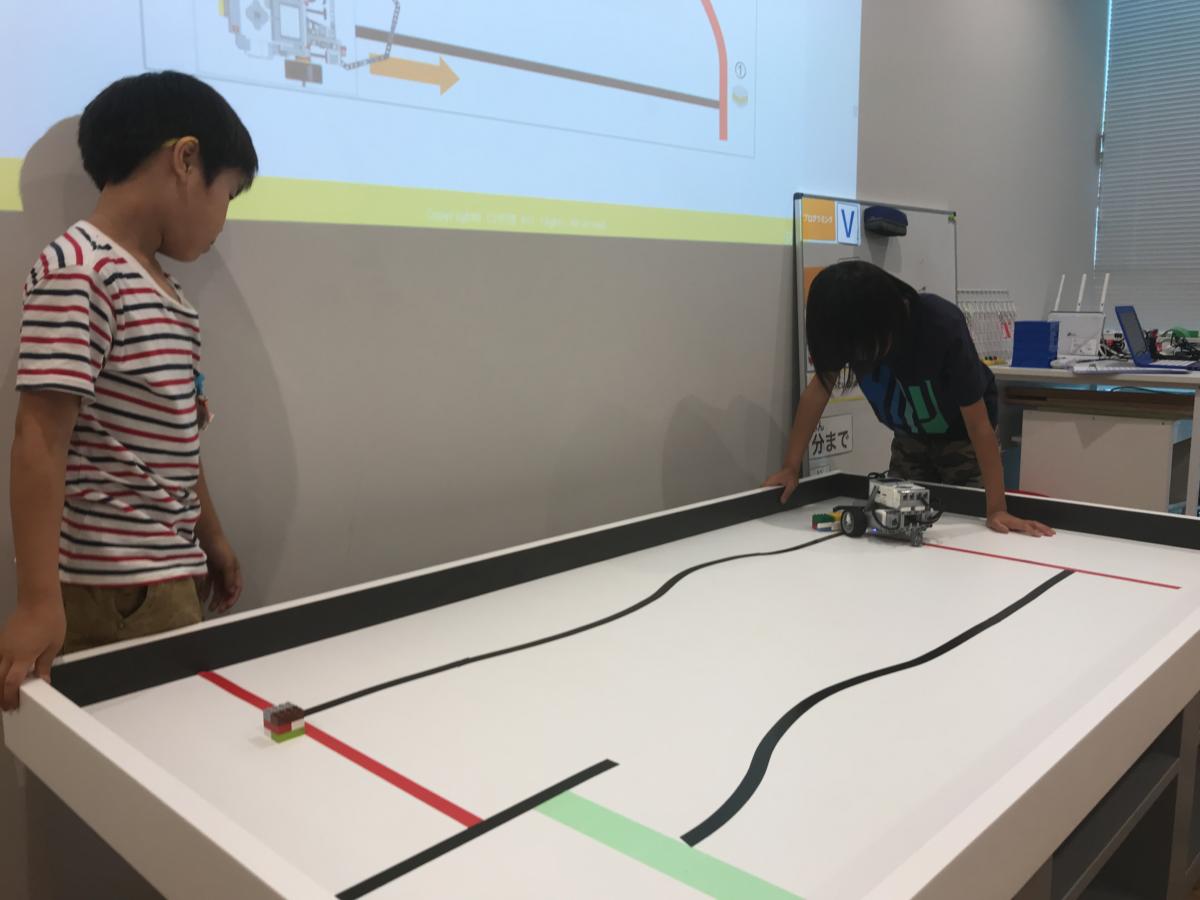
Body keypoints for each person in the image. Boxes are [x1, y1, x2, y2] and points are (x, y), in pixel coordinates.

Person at [0, 71, 259, 710]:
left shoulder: (167, 292)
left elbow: (177, 437)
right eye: (228, 194)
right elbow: (39, 439)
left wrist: (211, 536)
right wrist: (38, 602)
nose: (224, 220)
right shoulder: (81, 270)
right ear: (186, 159)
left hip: (169, 574)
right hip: (114, 591)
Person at [764, 260, 1053, 537]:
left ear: (881, 324)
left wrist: (997, 509)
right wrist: (791, 467)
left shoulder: (940, 325)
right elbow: (818, 390)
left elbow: (979, 425)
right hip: (909, 438)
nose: (855, 359)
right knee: (898, 519)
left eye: (859, 350)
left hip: (963, 439)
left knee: (971, 521)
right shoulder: (852, 329)